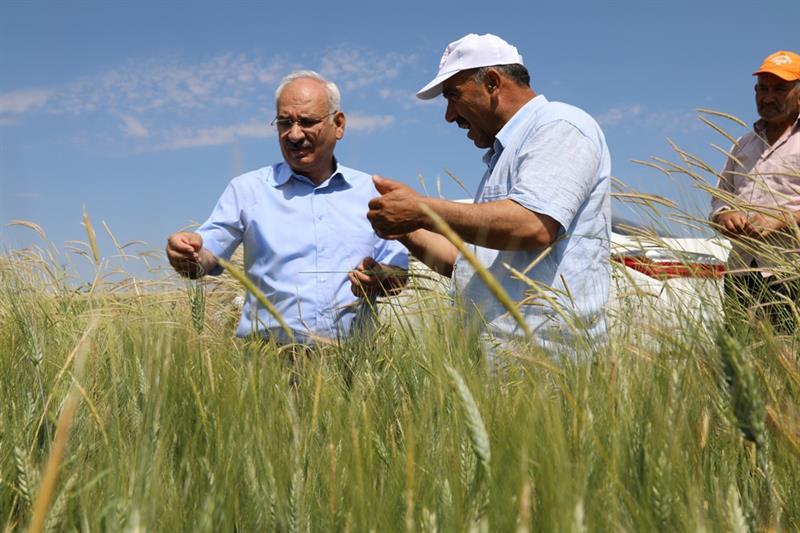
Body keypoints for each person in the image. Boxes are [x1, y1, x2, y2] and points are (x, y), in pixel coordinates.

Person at [365, 33, 611, 354]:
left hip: (550, 371)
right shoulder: (502, 157)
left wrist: (422, 210)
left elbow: (533, 226)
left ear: (493, 82)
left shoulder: (560, 126)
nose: (449, 115)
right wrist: (403, 226)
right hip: (508, 373)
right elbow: (463, 265)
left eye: (453, 95)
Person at [166, 70, 408, 345]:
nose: (294, 135)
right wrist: (188, 253)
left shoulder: (371, 193)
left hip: (354, 365)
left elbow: (399, 275)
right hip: (269, 368)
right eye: (284, 123)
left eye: (306, 122)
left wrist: (379, 277)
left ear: (338, 124)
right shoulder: (247, 189)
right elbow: (207, 254)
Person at [710, 50, 800, 333]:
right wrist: (725, 215)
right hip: (741, 271)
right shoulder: (743, 143)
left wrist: (784, 219)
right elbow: (719, 198)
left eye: (780, 89)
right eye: (762, 89)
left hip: (791, 272)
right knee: (738, 365)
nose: (768, 97)